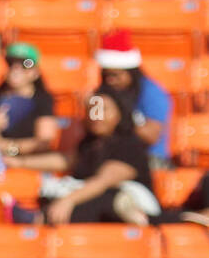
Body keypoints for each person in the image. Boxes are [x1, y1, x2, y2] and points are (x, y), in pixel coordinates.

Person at [39, 91, 159, 226]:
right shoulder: (89, 144)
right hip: (99, 216)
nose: (96, 115)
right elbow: (65, 160)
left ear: (120, 113)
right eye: (92, 109)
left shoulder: (129, 145)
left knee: (104, 199)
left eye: (103, 109)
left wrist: (68, 201)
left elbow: (102, 181)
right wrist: (17, 160)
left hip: (136, 208)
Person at [95, 29, 173, 167]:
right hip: (109, 154)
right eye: (107, 75)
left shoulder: (151, 92)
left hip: (148, 158)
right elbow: (96, 127)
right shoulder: (101, 93)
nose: (111, 80)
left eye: (116, 75)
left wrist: (121, 117)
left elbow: (151, 136)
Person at [0, 43, 60, 165]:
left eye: (25, 64)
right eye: (11, 63)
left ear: (35, 72)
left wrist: (11, 149)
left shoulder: (43, 99)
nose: (16, 69)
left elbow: (44, 142)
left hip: (32, 161)